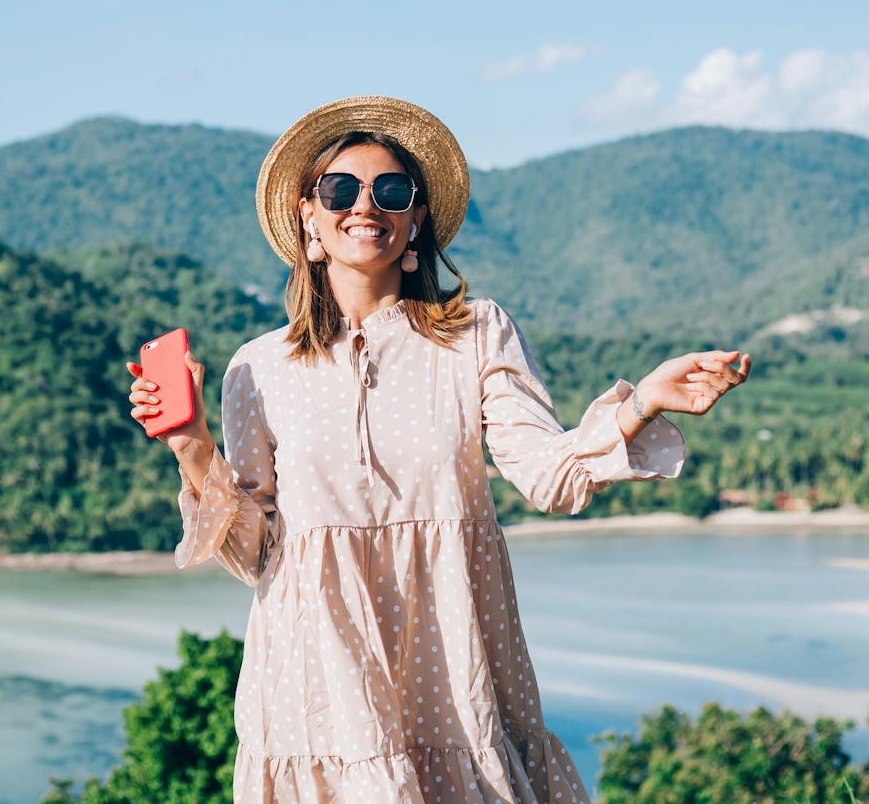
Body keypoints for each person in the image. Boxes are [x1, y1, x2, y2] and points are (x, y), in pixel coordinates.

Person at [125, 95, 751, 803]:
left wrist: (642, 403)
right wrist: (192, 447)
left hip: (454, 670)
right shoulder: (256, 369)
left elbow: (550, 478)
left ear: (416, 220)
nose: (367, 205)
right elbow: (256, 555)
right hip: (315, 686)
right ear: (310, 219)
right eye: (341, 189)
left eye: (392, 191)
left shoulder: (476, 335)